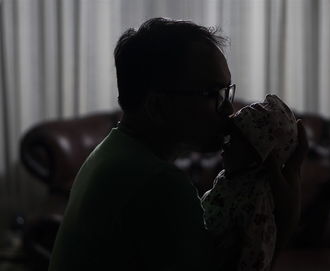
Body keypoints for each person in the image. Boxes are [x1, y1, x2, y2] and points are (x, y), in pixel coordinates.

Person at [48, 18, 308, 271]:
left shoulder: (110, 153)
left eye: (227, 91)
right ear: (157, 106)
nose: (229, 109)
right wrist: (286, 220)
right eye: (212, 94)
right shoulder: (158, 183)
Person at [201, 94, 298, 270]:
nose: (225, 144)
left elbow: (255, 249)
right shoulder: (227, 177)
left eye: (235, 141)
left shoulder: (256, 196)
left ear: (257, 155)